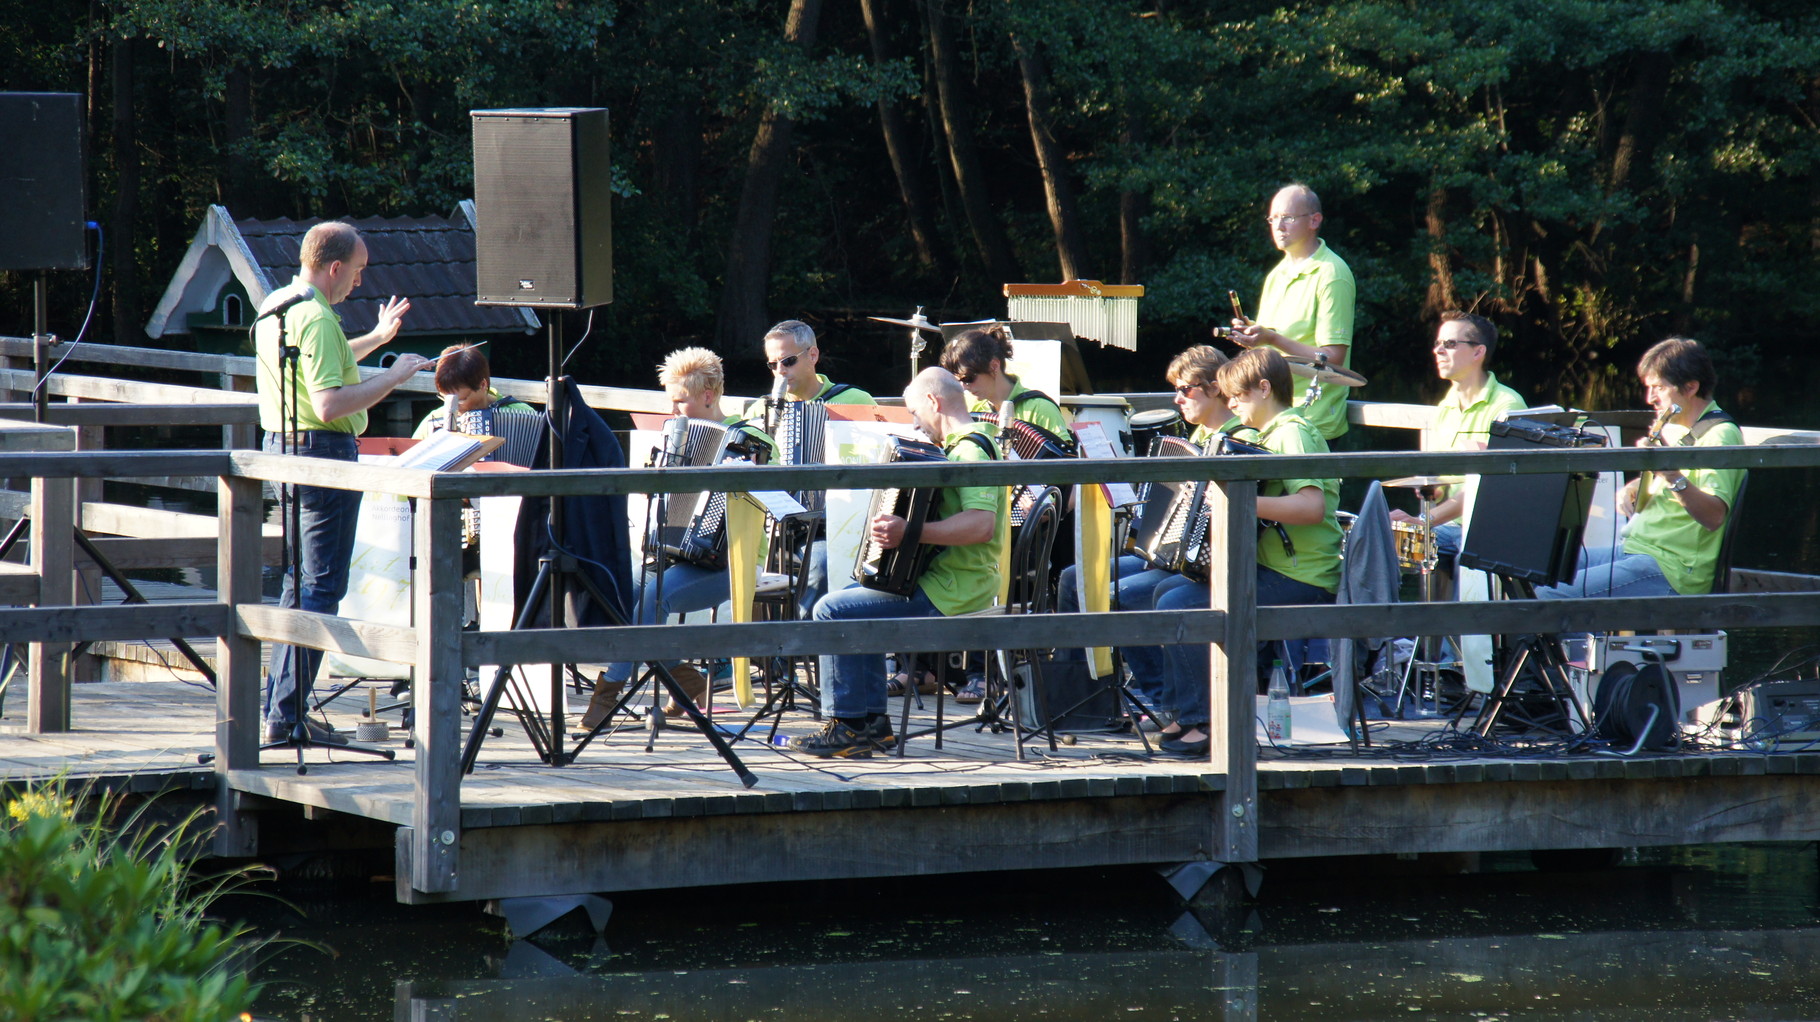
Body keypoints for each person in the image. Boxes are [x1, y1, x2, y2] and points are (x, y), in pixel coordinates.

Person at [254, 220, 428, 745]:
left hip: (281, 452)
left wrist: (376, 339)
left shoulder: (276, 307)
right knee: (322, 587)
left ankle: (277, 708)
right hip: (324, 455)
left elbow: (319, 368)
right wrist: (396, 377)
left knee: (297, 586)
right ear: (334, 267)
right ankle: (286, 719)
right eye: (357, 271)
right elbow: (329, 402)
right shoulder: (320, 318)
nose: (359, 281)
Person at [794, 367, 1006, 758]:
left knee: (830, 610)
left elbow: (981, 526)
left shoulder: (971, 449)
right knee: (851, 599)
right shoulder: (961, 446)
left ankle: (848, 726)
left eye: (913, 413)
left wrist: (908, 531)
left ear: (933, 402)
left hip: (957, 590)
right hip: (951, 581)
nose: (915, 423)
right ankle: (872, 723)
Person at [1152, 348, 1343, 757]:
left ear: (1264, 388)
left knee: (1180, 602)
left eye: (1237, 396)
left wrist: (1236, 500)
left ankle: (1204, 720)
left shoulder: (1292, 432)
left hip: (1304, 578)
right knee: (1166, 594)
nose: (1232, 404)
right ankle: (1185, 712)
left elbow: (1312, 508)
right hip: (1275, 569)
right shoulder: (1272, 434)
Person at [579, 347, 776, 730]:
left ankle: (609, 691)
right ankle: (686, 679)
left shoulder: (753, 440)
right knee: (619, 589)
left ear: (708, 395)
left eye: (680, 400)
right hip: (675, 554)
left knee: (652, 599)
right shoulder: (677, 436)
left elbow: (776, 496)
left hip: (731, 561)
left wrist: (744, 477)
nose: (673, 410)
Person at [1053, 345, 1234, 721]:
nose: (1177, 398)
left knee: (1120, 595)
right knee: (1074, 578)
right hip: (1167, 555)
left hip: (1197, 563)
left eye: (1186, 389)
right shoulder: (1195, 439)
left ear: (1216, 387)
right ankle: (1080, 696)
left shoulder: (1232, 440)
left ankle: (1160, 702)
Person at [1538, 338, 1743, 599]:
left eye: (1658, 388)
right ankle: (1583, 639)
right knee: (1537, 569)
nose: (1650, 398)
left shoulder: (1719, 435)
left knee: (1547, 597)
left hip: (1674, 567)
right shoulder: (1673, 424)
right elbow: (1673, 482)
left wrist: (1670, 474)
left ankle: (1579, 639)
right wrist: (1635, 487)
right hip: (1638, 548)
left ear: (1691, 387)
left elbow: (1714, 516)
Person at [937, 324, 1070, 702]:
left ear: (995, 366)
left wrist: (1033, 499)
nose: (965, 387)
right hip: (992, 516)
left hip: (1033, 524)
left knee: (988, 561)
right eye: (958, 380)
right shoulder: (976, 411)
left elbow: (1060, 474)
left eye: (969, 377)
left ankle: (986, 671)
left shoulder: (1038, 406)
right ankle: (935, 664)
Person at [742, 320, 876, 618]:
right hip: (771, 526)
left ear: (812, 355)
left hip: (834, 524)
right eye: (773, 364)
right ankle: (760, 656)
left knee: (822, 565)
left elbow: (877, 461)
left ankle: (801, 649)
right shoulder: (760, 410)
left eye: (788, 361)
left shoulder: (855, 401)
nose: (780, 371)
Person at [1387, 311, 1528, 563]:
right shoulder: (1447, 405)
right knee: (1383, 540)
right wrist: (1434, 487)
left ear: (1478, 352)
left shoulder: (1507, 405)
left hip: (1488, 528)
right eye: (1437, 343)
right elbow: (1444, 480)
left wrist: (1421, 522)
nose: (1438, 351)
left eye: (1450, 344)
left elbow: (1486, 488)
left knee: (1454, 561)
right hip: (1448, 526)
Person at [1229, 182, 1357, 441]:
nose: (1278, 226)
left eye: (1287, 217)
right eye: (1273, 218)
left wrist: (1272, 339)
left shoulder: (1332, 274)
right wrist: (1252, 336)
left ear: (1314, 220)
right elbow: (1268, 346)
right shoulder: (1278, 274)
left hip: (1313, 424)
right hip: (1274, 420)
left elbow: (1333, 360)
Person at [411, 343, 535, 457]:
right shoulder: (434, 420)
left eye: (460, 400)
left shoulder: (523, 413)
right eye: (444, 398)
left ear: (482, 385)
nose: (451, 408)